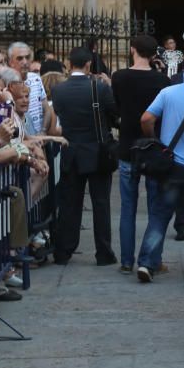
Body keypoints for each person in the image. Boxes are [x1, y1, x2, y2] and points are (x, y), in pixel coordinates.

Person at [136, 55, 184, 282]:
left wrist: (155, 140)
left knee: (160, 215)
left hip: (171, 164)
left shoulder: (168, 93)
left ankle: (148, 262)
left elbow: (146, 118)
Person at [50, 47, 117, 266]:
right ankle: (103, 252)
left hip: (71, 151)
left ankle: (64, 250)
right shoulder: (99, 88)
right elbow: (114, 116)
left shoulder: (59, 90)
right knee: (101, 203)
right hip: (97, 152)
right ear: (89, 64)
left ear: (69, 64)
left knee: (70, 203)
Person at [111, 35, 171, 274]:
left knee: (128, 207)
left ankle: (126, 260)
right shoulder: (162, 81)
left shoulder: (119, 77)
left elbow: (116, 106)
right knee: (155, 207)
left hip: (127, 146)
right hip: (152, 147)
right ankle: (151, 258)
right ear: (154, 54)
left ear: (132, 49)